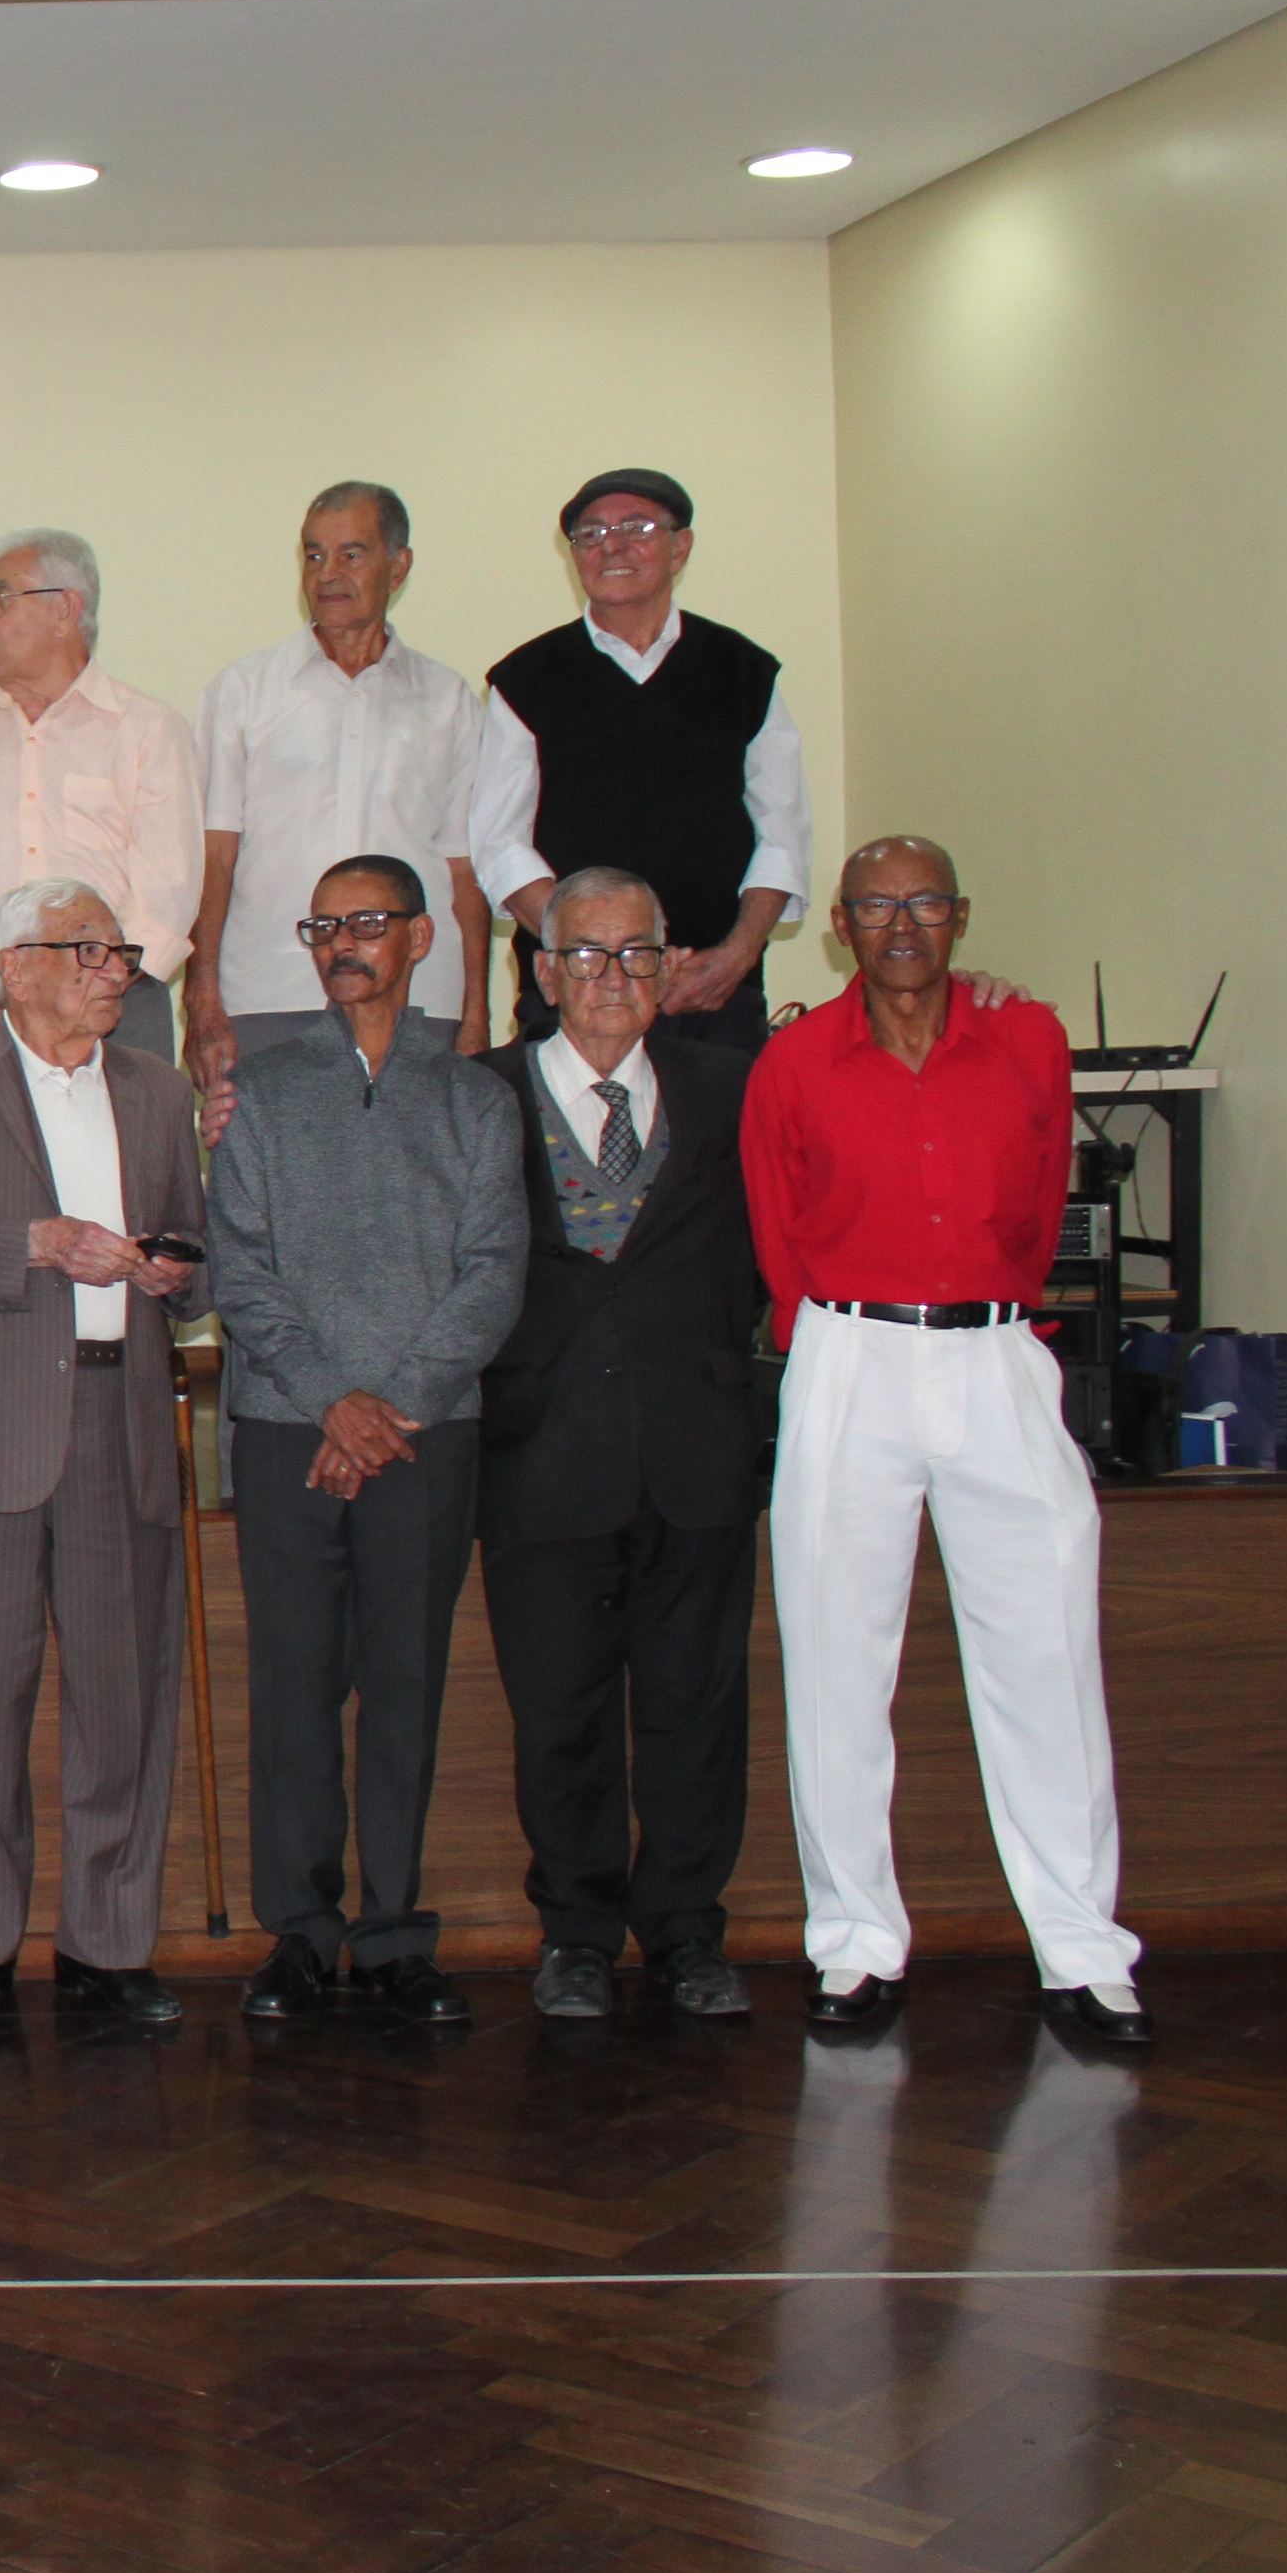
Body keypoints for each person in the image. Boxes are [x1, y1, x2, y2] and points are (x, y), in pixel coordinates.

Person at [746, 837, 1146, 2045]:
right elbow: (778, 1229)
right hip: (848, 1355)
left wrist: (977, 1309)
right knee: (835, 1665)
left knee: (1048, 1660)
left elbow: (1038, 1205)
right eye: (875, 905)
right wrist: (842, 1332)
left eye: (923, 902)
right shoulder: (793, 1061)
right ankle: (854, 1946)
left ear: (960, 917)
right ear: (841, 930)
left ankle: (1085, 1954)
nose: (901, 924)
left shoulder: (1028, 1038)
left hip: (995, 1354)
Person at [0, 882, 211, 2027]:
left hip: (124, 1422)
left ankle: (110, 1949)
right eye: (88, 951)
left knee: (124, 1701)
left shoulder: (158, 1092)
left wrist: (174, 1270)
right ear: (14, 965)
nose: (116, 972)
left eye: (120, 953)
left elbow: (196, 1261)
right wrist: (33, 1245)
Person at [203, 856, 526, 2028]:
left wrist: (389, 1405)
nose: (343, 944)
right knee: (293, 1691)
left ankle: (392, 1932)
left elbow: (493, 1275)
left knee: (403, 1685)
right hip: (286, 1432)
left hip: (425, 1441)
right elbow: (240, 1266)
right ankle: (299, 1931)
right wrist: (331, 1400)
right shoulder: (258, 1091)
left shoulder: (477, 1100)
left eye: (368, 923)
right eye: (324, 926)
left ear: (420, 939)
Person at [476, 865, 768, 2023]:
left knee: (697, 1713)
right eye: (586, 955)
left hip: (698, 1448)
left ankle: (688, 1932)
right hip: (540, 1453)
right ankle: (578, 1935)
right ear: (546, 974)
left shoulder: (734, 1088)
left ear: (668, 967)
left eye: (636, 953)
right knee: (561, 1716)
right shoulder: (477, 1097)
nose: (611, 976)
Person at [472, 469, 811, 1053]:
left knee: (717, 1117)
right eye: (591, 533)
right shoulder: (526, 679)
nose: (612, 546)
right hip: (573, 998)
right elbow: (499, 844)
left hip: (713, 994)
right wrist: (599, 959)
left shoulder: (743, 672)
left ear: (680, 548)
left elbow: (782, 837)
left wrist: (736, 956)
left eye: (637, 528)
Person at [189, 484, 493, 1113]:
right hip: (270, 989)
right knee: (266, 1167)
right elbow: (214, 856)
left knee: (418, 1169)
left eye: (352, 555)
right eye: (313, 555)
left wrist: (475, 1010)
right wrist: (202, 996)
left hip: (418, 995)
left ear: (398, 567)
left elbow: (465, 871)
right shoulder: (244, 691)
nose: (328, 574)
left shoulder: (449, 700)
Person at [0, 532, 200, 1056]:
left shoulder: (148, 729)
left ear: (64, 610)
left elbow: (166, 895)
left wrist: (81, 994)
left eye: (0, 597)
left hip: (117, 1007)